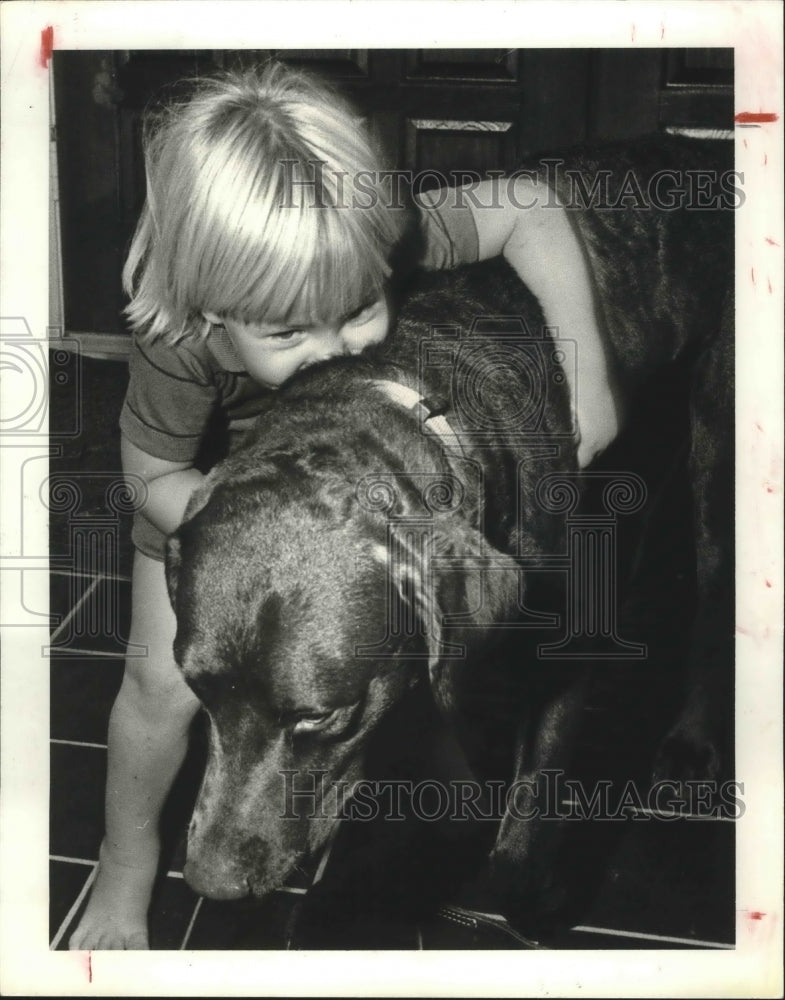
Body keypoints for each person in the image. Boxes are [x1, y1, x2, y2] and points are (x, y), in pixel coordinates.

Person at [69, 61, 618, 950]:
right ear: (210, 314)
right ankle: (124, 861)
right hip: (217, 506)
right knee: (158, 686)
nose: (331, 350)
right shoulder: (177, 343)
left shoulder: (369, 234)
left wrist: (588, 377)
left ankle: (424, 750)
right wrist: (235, 524)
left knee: (380, 630)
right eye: (286, 333)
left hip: (356, 475)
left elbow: (528, 206)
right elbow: (148, 478)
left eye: (358, 309)